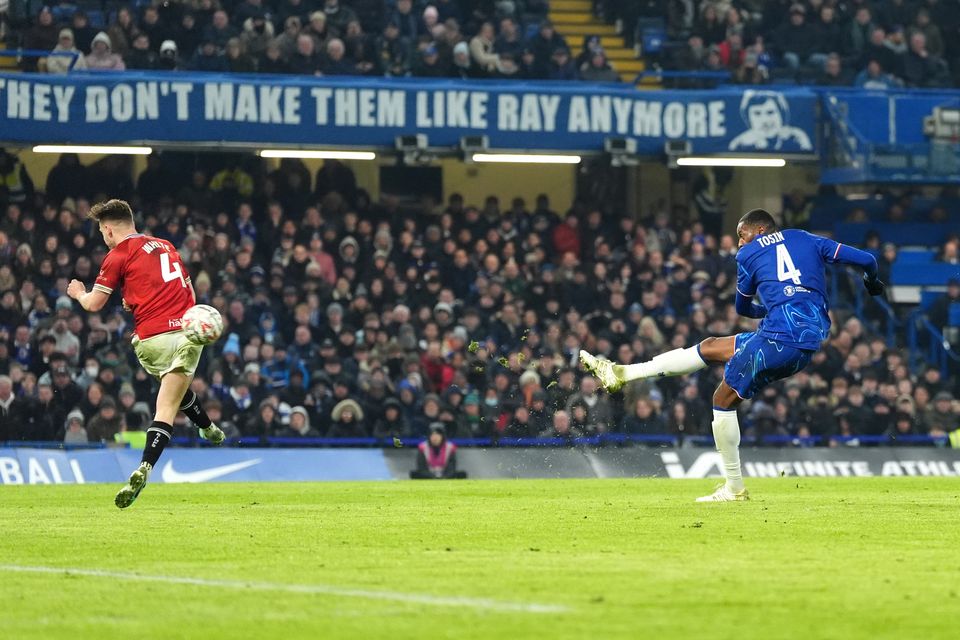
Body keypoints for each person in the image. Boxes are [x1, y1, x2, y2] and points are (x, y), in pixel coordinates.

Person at [581, 208, 885, 502]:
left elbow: (742, 308)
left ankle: (734, 488)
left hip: (779, 338)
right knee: (712, 346)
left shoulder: (748, 254)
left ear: (761, 230)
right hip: (801, 337)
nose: (740, 242)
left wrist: (766, 308)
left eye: (743, 234)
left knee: (721, 400)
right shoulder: (808, 238)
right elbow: (868, 260)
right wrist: (872, 283)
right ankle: (622, 373)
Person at [66, 199, 225, 509]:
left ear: (109, 229)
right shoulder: (166, 245)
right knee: (168, 404)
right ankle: (148, 465)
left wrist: (78, 293)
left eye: (102, 232)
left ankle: (206, 428)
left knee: (170, 392)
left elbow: (94, 305)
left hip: (150, 339)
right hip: (186, 332)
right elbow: (187, 292)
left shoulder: (117, 255)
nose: (103, 237)